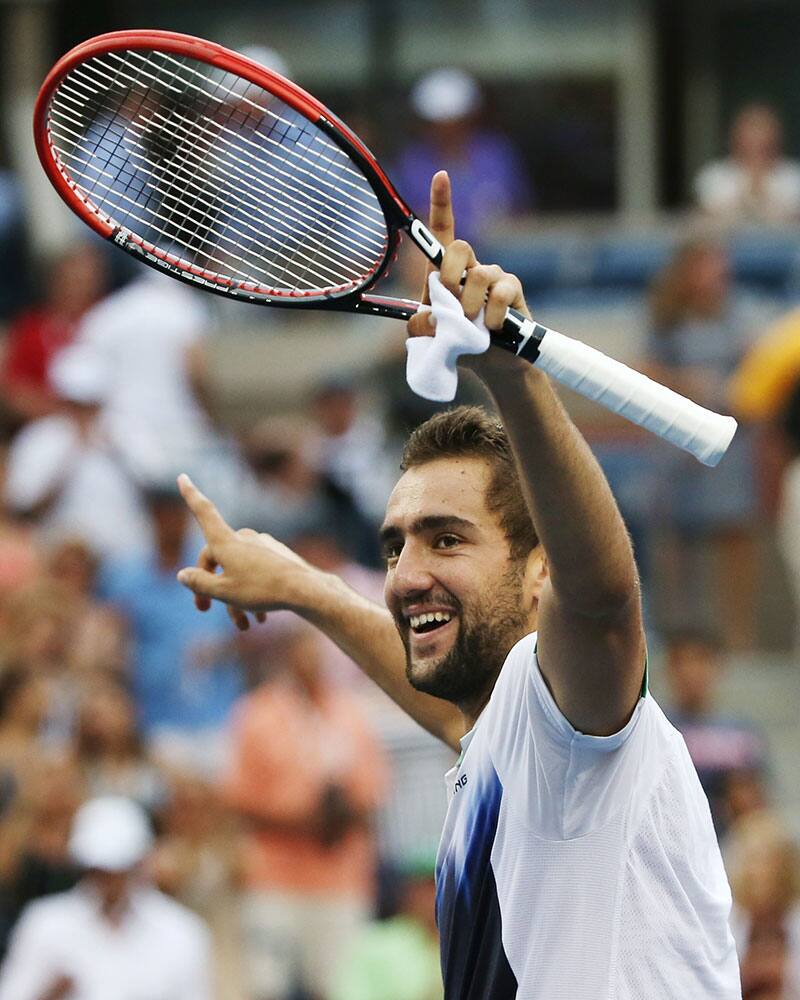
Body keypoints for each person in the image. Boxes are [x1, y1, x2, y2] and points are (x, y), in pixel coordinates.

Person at [175, 172, 740, 997]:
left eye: (447, 539)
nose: (407, 574)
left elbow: (603, 599)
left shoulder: (579, 714)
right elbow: (449, 708)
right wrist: (302, 584)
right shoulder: (507, 734)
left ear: (539, 566)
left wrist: (511, 371)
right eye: (396, 544)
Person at [222, 619, 387, 1000]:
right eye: (299, 652)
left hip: (340, 878)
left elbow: (372, 793)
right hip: (274, 877)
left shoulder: (350, 713)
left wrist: (338, 814)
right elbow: (241, 801)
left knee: (342, 989)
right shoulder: (257, 713)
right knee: (267, 987)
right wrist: (308, 821)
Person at [0, 795, 212, 1000]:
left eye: (118, 869)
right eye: (99, 870)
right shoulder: (46, 924)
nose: (108, 881)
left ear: (139, 864)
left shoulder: (180, 933)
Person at [663, 628, 769, 836]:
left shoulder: (741, 732)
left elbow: (758, 804)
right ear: (670, 668)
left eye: (701, 660)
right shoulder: (658, 729)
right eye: (683, 662)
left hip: (732, 846)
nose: (692, 671)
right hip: (674, 837)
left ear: (718, 667)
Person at [694, 103, 800, 223]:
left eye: (763, 129)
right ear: (736, 136)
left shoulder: (794, 174)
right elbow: (709, 216)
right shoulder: (714, 174)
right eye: (751, 129)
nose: (757, 139)